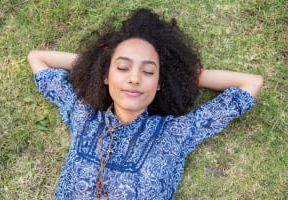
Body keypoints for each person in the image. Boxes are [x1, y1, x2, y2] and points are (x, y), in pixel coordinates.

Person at [28, 8, 263, 200]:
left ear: (160, 83)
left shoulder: (175, 134)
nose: (134, 78)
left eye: (148, 71)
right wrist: (96, 63)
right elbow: (38, 59)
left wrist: (185, 76)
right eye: (122, 68)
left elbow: (250, 83)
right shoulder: (84, 117)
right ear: (106, 75)